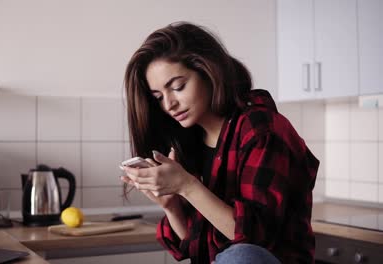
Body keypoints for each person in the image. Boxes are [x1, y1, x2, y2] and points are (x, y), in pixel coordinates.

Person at [120, 22, 319, 264]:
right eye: (159, 97)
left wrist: (187, 186)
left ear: (208, 71)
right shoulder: (191, 140)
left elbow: (254, 241)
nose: (169, 104)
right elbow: (197, 248)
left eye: (178, 87)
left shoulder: (261, 129)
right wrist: (171, 206)